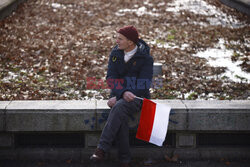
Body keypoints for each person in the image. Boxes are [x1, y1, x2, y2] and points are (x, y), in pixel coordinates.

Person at [90, 25, 153, 167]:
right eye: (116, 38)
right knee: (120, 111)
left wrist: (119, 96)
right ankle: (125, 159)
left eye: (120, 38)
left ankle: (102, 148)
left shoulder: (146, 58)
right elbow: (111, 78)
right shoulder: (115, 54)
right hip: (119, 96)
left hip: (138, 97)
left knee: (118, 107)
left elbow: (144, 84)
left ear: (130, 42)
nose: (116, 41)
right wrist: (121, 94)